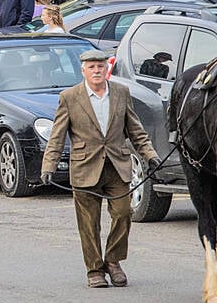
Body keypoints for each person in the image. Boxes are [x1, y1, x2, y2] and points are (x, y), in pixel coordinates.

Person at [40, 49, 161, 288]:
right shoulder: (69, 97)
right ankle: (95, 269)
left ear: (107, 69)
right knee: (88, 222)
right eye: (92, 67)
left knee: (123, 213)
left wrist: (151, 155)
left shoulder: (121, 93)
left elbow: (135, 130)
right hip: (85, 167)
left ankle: (113, 261)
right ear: (83, 70)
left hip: (117, 165)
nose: (96, 71)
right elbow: (57, 136)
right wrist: (49, 165)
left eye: (100, 66)